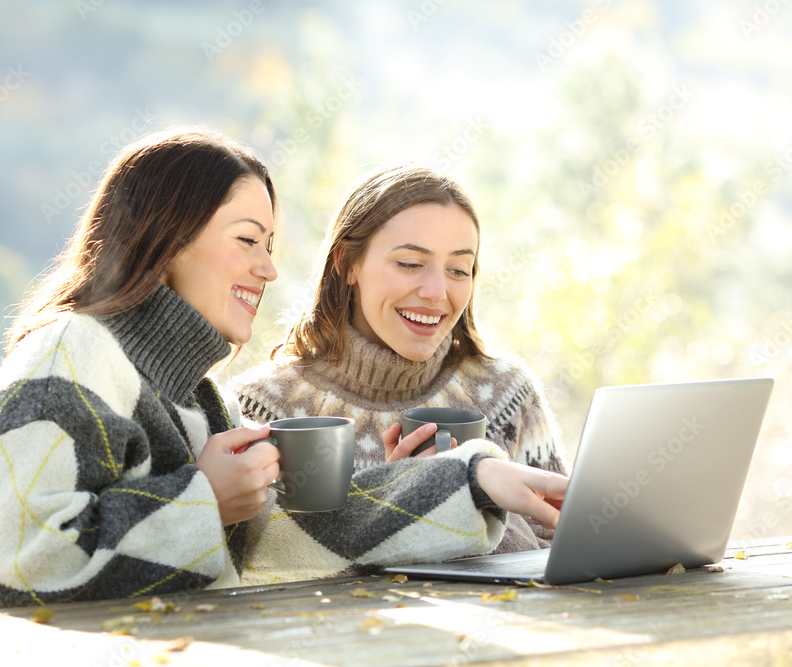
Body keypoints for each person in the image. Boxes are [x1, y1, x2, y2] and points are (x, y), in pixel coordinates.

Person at [0, 130, 566, 612]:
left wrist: (473, 479)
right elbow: (16, 567)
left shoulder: (194, 396)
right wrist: (204, 499)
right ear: (169, 238)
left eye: (270, 246)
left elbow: (277, 542)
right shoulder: (72, 352)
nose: (268, 268)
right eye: (246, 240)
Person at [233, 163, 570, 553]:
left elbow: (566, 553)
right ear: (347, 263)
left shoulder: (507, 394)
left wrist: (474, 498)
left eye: (459, 269)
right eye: (410, 264)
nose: (436, 291)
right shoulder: (262, 411)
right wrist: (404, 498)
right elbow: (268, 570)